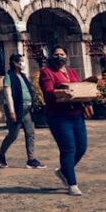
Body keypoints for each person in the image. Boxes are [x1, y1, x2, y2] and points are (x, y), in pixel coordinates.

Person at [39, 45, 97, 196]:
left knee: (82, 147)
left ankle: (64, 171)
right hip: (59, 115)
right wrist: (63, 92)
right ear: (51, 57)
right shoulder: (47, 72)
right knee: (68, 148)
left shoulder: (71, 72)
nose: (60, 56)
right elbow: (48, 91)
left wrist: (88, 99)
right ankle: (72, 184)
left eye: (62, 54)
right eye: (56, 54)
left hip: (76, 114)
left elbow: (80, 88)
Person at [0, 54, 45, 169]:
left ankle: (31, 159)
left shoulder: (23, 76)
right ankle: (0, 154)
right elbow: (8, 94)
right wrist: (12, 112)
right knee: (13, 134)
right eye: (21, 61)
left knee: (30, 133)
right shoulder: (9, 76)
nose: (23, 63)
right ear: (14, 63)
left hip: (27, 108)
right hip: (16, 109)